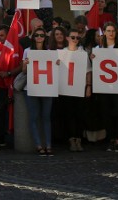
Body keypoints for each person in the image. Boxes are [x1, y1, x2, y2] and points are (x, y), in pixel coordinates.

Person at [94, 21, 118, 153]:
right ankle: (111, 140)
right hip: (104, 85)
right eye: (108, 31)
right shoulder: (98, 49)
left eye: (113, 31)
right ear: (104, 32)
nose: (111, 33)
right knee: (106, 112)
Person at [23, 27, 55, 155]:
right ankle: (38, 144)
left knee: (46, 117)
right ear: (33, 37)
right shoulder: (27, 51)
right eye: (37, 35)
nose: (39, 37)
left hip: (47, 87)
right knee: (34, 117)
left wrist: (56, 63)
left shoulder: (50, 51)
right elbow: (24, 71)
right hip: (31, 87)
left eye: (42, 35)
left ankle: (48, 144)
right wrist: (25, 64)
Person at [61, 28, 91, 152]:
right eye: (73, 37)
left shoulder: (83, 53)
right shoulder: (61, 52)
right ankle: (71, 139)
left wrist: (88, 86)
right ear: (67, 38)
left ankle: (78, 139)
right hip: (66, 89)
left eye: (77, 38)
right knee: (68, 115)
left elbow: (88, 71)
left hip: (80, 88)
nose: (75, 40)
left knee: (79, 115)